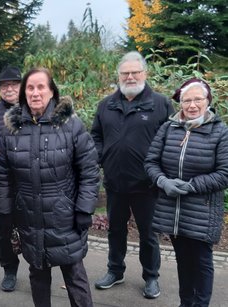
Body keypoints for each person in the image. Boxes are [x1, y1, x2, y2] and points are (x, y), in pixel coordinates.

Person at [0, 67, 99, 307]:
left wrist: (84, 208)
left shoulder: (70, 126)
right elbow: (4, 175)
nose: (35, 93)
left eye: (41, 87)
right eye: (30, 88)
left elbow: (89, 169)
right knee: (38, 273)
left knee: (74, 275)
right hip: (29, 216)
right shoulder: (12, 130)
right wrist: (6, 210)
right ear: (24, 93)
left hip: (65, 216)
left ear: (52, 91)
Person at [91, 51, 174, 299]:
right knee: (115, 230)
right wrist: (100, 156)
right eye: (125, 73)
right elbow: (96, 136)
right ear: (119, 75)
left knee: (148, 235)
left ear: (144, 74)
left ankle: (151, 277)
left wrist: (161, 173)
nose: (129, 77)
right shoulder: (106, 105)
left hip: (147, 186)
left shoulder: (160, 104)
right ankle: (115, 271)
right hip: (115, 183)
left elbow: (170, 141)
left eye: (134, 72)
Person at [145, 78, 228, 307]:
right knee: (182, 260)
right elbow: (151, 162)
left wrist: (191, 185)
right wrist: (163, 181)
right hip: (173, 209)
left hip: (202, 210)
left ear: (208, 101)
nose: (192, 105)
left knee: (201, 262)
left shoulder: (219, 131)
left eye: (197, 99)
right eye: (186, 100)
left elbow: (225, 173)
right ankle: (185, 303)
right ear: (180, 103)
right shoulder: (168, 128)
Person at [0, 66, 22, 292]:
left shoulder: (33, 109)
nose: (9, 88)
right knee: (5, 228)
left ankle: (39, 268)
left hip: (32, 181)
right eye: (4, 85)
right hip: (3, 182)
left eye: (14, 84)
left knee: (35, 226)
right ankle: (9, 270)